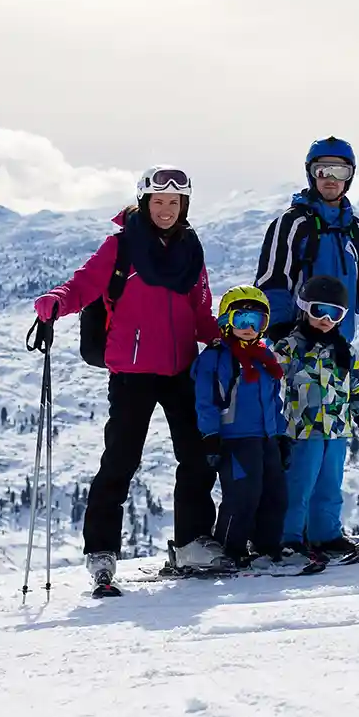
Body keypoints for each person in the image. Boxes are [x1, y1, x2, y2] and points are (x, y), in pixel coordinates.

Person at [32, 165, 232, 588]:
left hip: (181, 369)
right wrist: (55, 301)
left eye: (174, 202)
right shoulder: (120, 247)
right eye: (158, 201)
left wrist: (228, 338)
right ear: (144, 202)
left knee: (196, 457)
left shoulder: (191, 251)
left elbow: (199, 312)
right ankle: (101, 552)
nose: (165, 209)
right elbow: (83, 285)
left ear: (184, 206)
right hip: (132, 373)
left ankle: (193, 541)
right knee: (121, 462)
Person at [253, 136, 359, 346]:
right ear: (311, 175)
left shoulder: (357, 231)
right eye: (322, 170)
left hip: (338, 346)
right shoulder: (293, 224)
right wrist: (279, 328)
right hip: (294, 344)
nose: (330, 178)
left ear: (350, 177)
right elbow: (273, 281)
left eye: (340, 171)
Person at [273, 275, 359, 561]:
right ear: (304, 308)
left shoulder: (345, 351)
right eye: (318, 310)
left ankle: (326, 535)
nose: (325, 319)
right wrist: (274, 430)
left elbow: (355, 389)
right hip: (300, 430)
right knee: (298, 485)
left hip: (337, 429)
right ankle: (289, 538)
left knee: (329, 485)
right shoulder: (289, 348)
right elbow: (272, 388)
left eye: (334, 313)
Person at [190, 285, 288, 568]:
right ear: (226, 321)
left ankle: (267, 548)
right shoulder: (216, 357)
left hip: (266, 437)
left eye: (256, 321)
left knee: (275, 493)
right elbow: (206, 400)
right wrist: (210, 436)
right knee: (243, 494)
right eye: (241, 320)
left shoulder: (264, 356)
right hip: (235, 438)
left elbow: (273, 400)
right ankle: (230, 549)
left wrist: (280, 434)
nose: (248, 328)